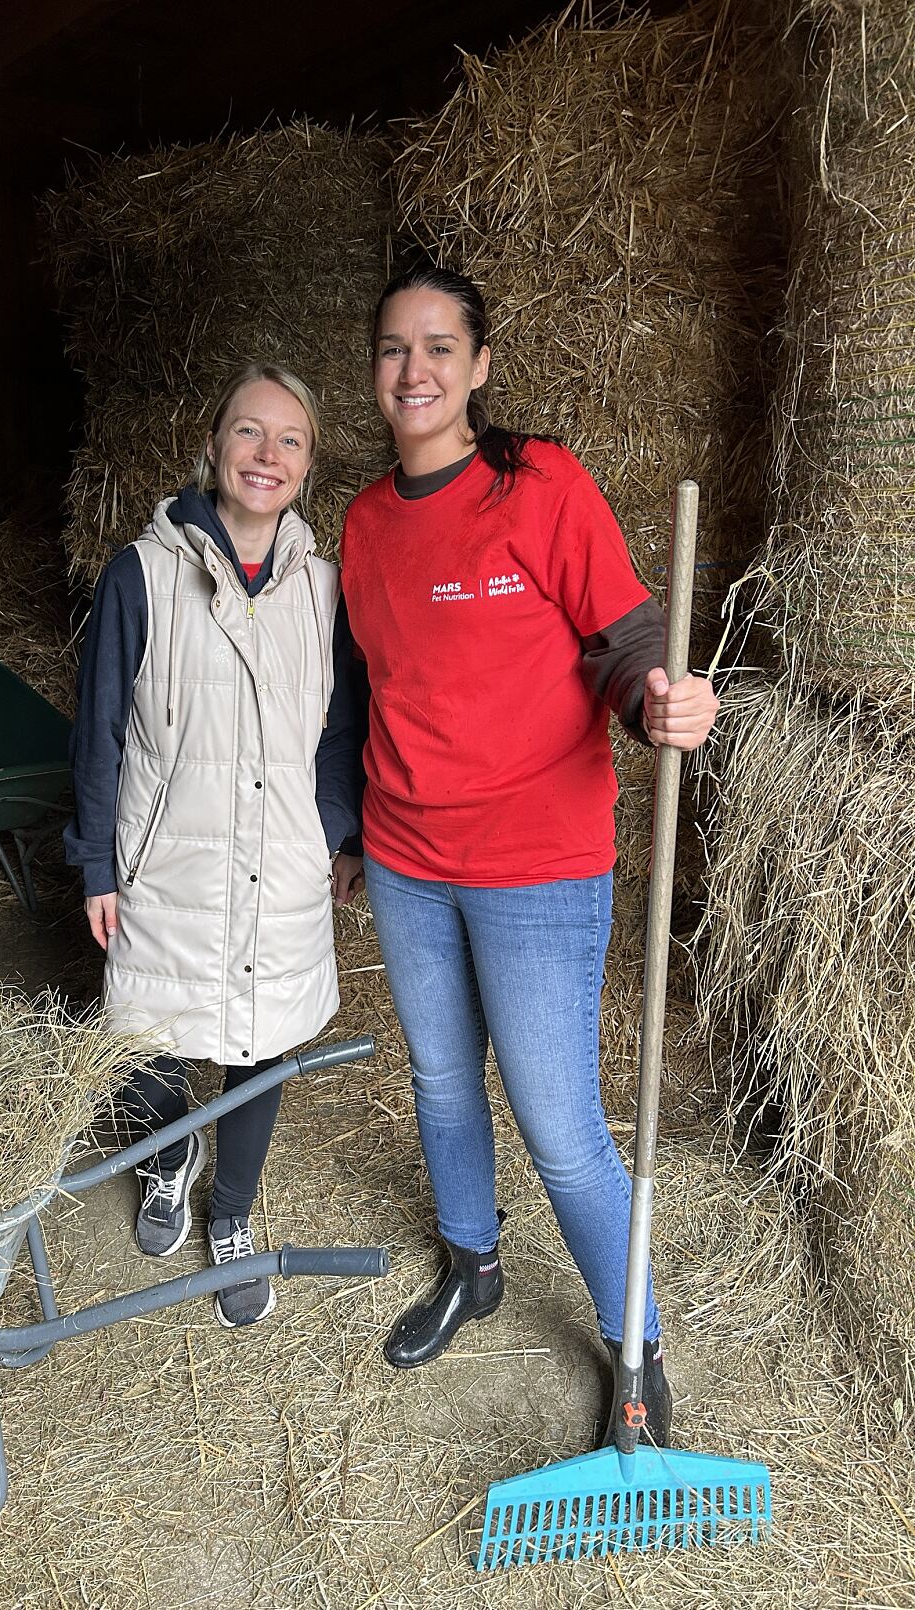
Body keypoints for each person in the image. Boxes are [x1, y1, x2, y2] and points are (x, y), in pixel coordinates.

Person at [338, 265, 719, 1444]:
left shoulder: (539, 483)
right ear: (375, 371)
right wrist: (348, 826)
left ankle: (635, 1352)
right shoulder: (359, 521)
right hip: (405, 852)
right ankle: (471, 1263)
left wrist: (656, 695)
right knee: (442, 1079)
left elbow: (622, 635)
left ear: (478, 365)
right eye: (395, 350)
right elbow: (364, 685)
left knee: (558, 1124)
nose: (415, 371)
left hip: (535, 864)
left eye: (439, 347)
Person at [66, 361, 364, 1328]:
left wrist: (330, 831)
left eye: (289, 440)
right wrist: (100, 862)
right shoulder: (142, 575)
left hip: (280, 860)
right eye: (248, 432)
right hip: (168, 856)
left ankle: (230, 1214)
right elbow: (100, 728)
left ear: (309, 465)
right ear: (212, 444)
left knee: (262, 1039)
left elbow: (342, 728)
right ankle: (167, 1157)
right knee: (153, 1025)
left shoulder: (324, 592)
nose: (265, 455)